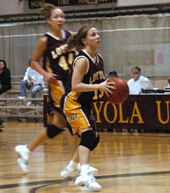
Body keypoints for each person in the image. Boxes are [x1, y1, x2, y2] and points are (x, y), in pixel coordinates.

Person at [15, 3, 77, 173]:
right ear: (49, 20)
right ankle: (77, 165)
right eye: (56, 17)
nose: (60, 19)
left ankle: (27, 149)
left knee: (58, 124)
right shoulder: (45, 40)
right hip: (57, 86)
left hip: (71, 83)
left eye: (62, 16)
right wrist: (45, 74)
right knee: (73, 122)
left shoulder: (71, 36)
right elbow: (33, 61)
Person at [63, 26, 114, 191]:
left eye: (98, 33)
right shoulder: (82, 60)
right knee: (88, 136)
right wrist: (98, 86)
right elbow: (75, 86)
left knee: (94, 138)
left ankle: (73, 166)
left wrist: (108, 88)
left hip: (86, 103)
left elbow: (99, 82)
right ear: (85, 40)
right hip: (73, 103)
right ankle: (84, 174)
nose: (98, 36)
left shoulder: (99, 58)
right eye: (93, 34)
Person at [0, 59, 11, 129]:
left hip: (5, 86)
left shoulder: (7, 71)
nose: (0, 65)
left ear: (4, 65)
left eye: (1, 64)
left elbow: (6, 81)